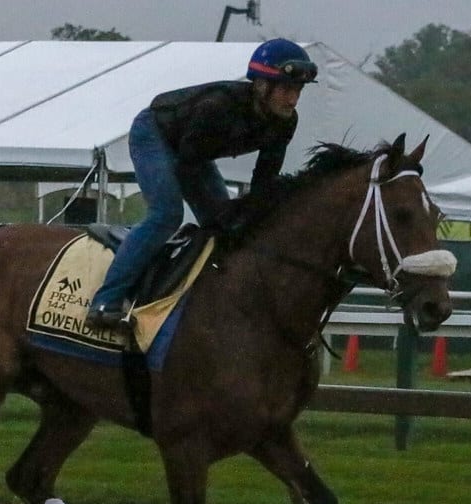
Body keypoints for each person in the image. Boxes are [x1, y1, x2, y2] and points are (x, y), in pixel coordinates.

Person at [85, 38, 318, 329]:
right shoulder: (218, 107)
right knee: (166, 214)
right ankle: (105, 302)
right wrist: (225, 212)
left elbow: (264, 181)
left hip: (193, 151)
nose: (293, 99)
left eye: (298, 90)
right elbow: (187, 167)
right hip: (154, 134)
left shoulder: (285, 121)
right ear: (261, 85)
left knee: (231, 227)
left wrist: (246, 217)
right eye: (286, 89)